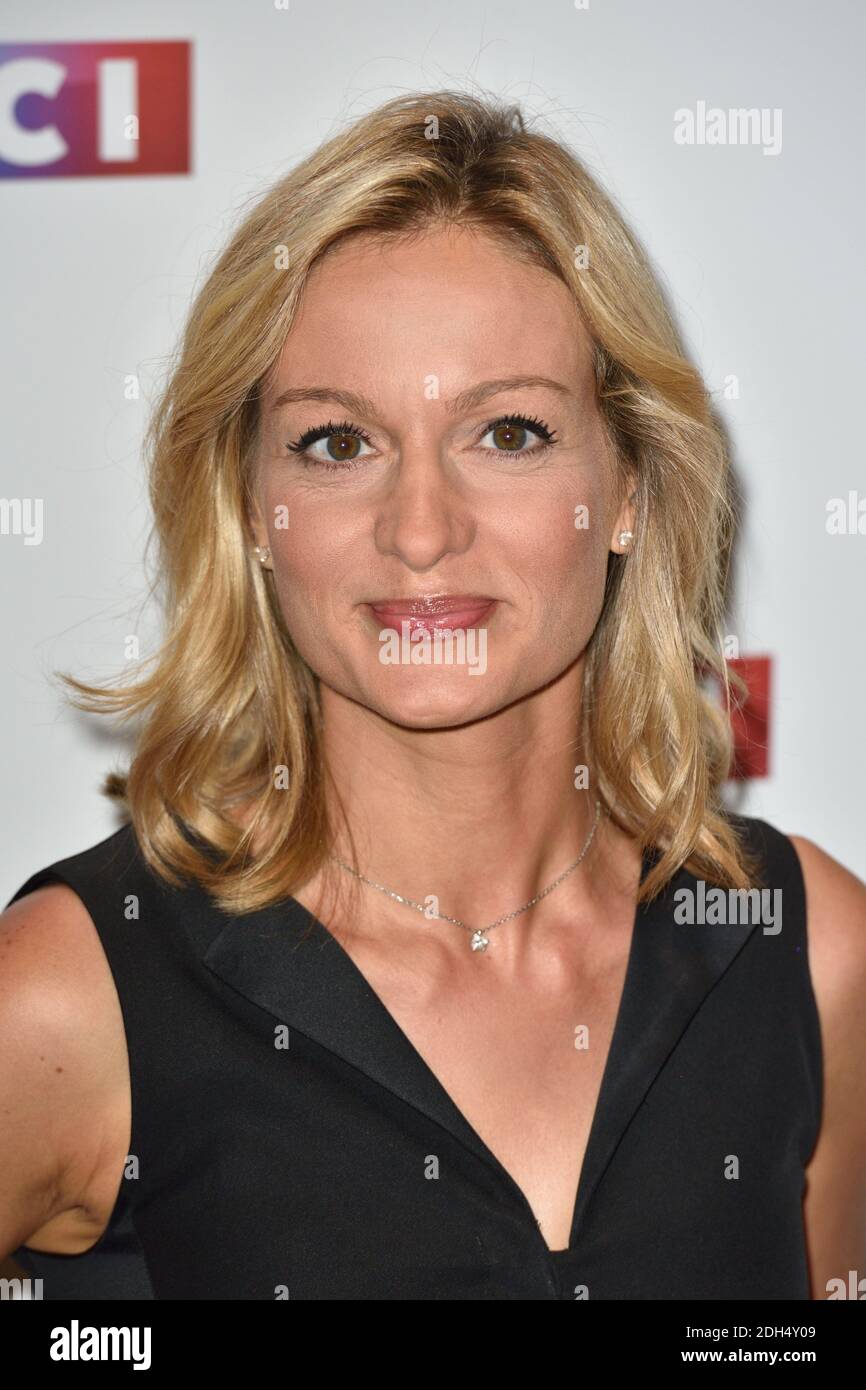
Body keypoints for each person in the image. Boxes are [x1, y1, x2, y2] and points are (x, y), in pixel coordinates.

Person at [1, 89, 864, 1301]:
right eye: (335, 442)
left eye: (506, 432)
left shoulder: (803, 946)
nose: (420, 531)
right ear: (251, 507)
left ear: (624, 487)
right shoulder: (68, 993)